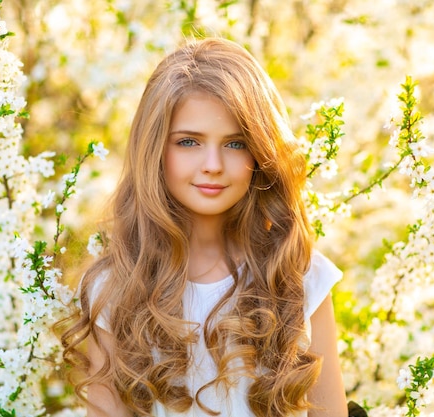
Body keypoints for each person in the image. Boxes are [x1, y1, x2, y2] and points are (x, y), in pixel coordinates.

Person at [62, 37, 348, 417]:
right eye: (189, 142)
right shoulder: (114, 287)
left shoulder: (299, 275)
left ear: (261, 153)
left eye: (235, 144)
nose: (212, 164)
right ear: (155, 150)